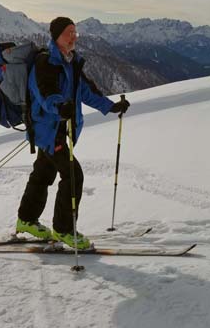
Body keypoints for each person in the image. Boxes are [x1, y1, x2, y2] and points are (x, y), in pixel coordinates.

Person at [15, 17, 130, 249]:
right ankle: (63, 229)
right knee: (73, 175)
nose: (74, 36)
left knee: (43, 173)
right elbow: (45, 93)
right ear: (56, 36)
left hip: (59, 128)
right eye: (69, 32)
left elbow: (87, 92)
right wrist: (60, 107)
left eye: (75, 32)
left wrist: (110, 106)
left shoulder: (71, 63)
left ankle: (26, 219)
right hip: (49, 131)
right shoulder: (44, 63)